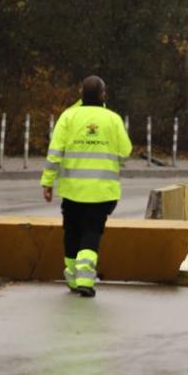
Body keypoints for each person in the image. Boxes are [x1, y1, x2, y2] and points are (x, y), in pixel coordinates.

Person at [41, 75, 132, 297]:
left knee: (71, 231)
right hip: (101, 192)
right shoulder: (113, 119)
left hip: (72, 191)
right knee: (91, 232)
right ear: (103, 95)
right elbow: (125, 152)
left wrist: (47, 182)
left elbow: (55, 153)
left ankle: (72, 277)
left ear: (81, 94)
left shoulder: (68, 117)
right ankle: (84, 278)